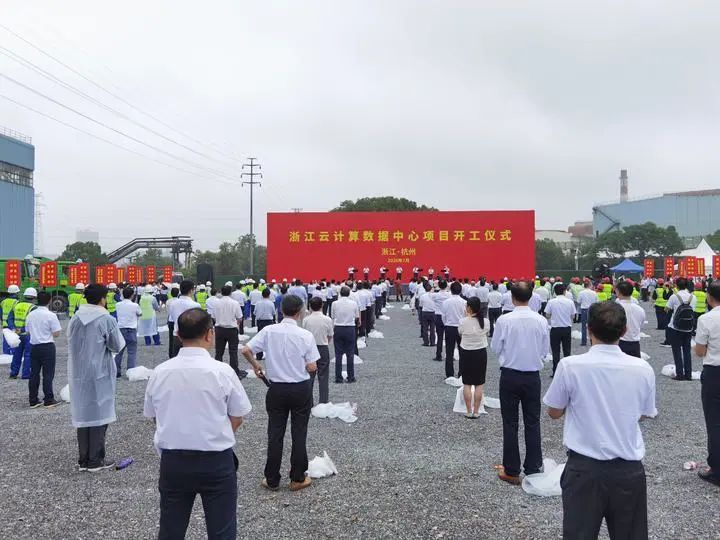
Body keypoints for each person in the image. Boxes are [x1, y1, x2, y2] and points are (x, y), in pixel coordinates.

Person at [543, 302, 656, 539]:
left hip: (584, 469)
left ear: (589, 329)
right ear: (624, 331)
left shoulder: (570, 365)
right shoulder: (642, 368)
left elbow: (554, 411)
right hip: (628, 469)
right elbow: (645, 413)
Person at [144, 308, 252, 539]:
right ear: (209, 334)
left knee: (171, 529)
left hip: (174, 460)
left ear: (178, 335)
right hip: (216, 459)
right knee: (222, 530)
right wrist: (215, 433)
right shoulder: (222, 371)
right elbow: (238, 415)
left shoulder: (160, 372)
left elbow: (154, 416)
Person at [241, 295, 319, 492]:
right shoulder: (305, 335)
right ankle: (297, 477)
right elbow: (311, 366)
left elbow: (246, 350)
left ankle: (272, 478)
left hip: (276, 388)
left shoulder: (269, 331)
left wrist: (256, 366)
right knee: (299, 432)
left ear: (281, 310)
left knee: (275, 433)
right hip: (300, 387)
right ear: (300, 312)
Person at [490, 282, 548, 485]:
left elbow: (496, 347)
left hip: (510, 375)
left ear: (512, 298)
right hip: (532, 376)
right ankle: (533, 467)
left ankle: (512, 469)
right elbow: (544, 351)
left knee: (510, 422)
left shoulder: (504, 320)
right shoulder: (540, 321)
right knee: (533, 422)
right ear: (531, 296)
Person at [67, 284, 125, 472]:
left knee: (83, 413)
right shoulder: (105, 319)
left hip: (79, 372)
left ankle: (83, 459)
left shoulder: (75, 318)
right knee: (100, 413)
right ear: (102, 298)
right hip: (100, 371)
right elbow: (117, 345)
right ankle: (95, 460)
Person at [694, 281, 720, 487]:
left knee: (715, 421)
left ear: (710, 297)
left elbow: (700, 351)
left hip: (715, 373)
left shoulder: (706, 319)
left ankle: (717, 469)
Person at [25, 291, 61, 408]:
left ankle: (33, 400)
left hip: (34, 346)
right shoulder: (51, 315)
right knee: (48, 374)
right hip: (47, 347)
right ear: (50, 300)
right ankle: (49, 399)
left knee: (34, 374)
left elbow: (28, 331)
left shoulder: (30, 314)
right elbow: (56, 334)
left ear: (36, 300)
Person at [458, 297, 490, 418]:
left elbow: (460, 333)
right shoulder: (485, 322)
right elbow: (486, 332)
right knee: (479, 383)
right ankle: (476, 411)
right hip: (480, 352)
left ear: (469, 308)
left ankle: (468, 411)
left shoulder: (463, 321)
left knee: (467, 383)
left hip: (466, 352)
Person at [303, 296, 333, 404]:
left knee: (309, 376)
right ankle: (323, 402)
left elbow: (304, 335)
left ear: (310, 306)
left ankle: (308, 402)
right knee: (323, 376)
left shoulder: (306, 320)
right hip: (322, 347)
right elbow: (330, 335)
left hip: (309, 349)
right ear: (322, 305)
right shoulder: (327, 319)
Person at [666, 277, 697, 380]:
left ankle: (679, 374)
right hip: (688, 328)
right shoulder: (693, 297)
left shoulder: (674, 297)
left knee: (676, 351)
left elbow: (667, 309)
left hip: (675, 327)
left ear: (676, 286)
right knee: (687, 351)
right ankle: (688, 374)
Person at [545, 283, 576, 376]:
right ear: (564, 291)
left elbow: (547, 315)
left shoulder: (551, 302)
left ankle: (555, 371)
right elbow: (573, 316)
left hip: (555, 329)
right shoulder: (570, 302)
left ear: (555, 292)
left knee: (555, 351)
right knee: (567, 351)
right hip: (566, 328)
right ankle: (567, 372)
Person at [213, 285, 245, 378]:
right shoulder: (234, 303)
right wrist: (236, 324)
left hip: (219, 329)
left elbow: (213, 317)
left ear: (221, 292)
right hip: (231, 329)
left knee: (219, 352)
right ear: (230, 292)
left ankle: (218, 371)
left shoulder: (217, 303)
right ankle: (234, 371)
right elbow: (239, 317)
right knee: (233, 351)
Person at [331, 286, 360, 384]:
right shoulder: (354, 303)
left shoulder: (334, 303)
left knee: (338, 354)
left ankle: (338, 378)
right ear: (348, 293)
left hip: (338, 328)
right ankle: (350, 377)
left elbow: (332, 316)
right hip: (350, 328)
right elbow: (356, 317)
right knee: (350, 354)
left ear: (340, 293)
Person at [8, 287, 38, 380]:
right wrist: (23, 329)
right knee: (28, 355)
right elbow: (32, 323)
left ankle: (13, 374)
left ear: (24, 296)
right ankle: (25, 375)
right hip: (27, 335)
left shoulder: (17, 305)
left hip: (16, 334)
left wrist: (13, 328)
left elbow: (10, 318)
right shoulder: (33, 308)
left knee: (17, 354)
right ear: (34, 297)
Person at [167, 280, 201, 356]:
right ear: (191, 290)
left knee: (177, 362)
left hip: (177, 335)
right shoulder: (195, 305)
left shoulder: (173, 304)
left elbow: (172, 317)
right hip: (191, 338)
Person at [114, 287, 142, 378]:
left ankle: (117, 371)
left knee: (119, 352)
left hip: (120, 329)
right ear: (132, 295)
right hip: (131, 330)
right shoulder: (135, 305)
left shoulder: (118, 304)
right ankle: (130, 372)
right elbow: (140, 313)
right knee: (131, 352)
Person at [441, 282, 467, 378]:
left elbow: (443, 316)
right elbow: (466, 316)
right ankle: (462, 373)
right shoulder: (465, 302)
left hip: (449, 327)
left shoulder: (446, 302)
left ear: (451, 290)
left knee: (449, 351)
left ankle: (449, 374)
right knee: (462, 351)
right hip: (461, 328)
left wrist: (447, 324)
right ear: (460, 291)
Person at [615, 281, 647, 358]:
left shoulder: (615, 308)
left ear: (618, 292)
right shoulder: (640, 309)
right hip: (635, 344)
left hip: (619, 343)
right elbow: (641, 324)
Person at [431, 281, 451, 361]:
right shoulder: (449, 295)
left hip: (438, 316)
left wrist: (435, 287)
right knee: (449, 338)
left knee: (439, 337)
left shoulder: (435, 295)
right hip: (447, 317)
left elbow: (430, 293)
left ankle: (438, 355)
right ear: (446, 286)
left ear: (439, 286)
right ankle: (449, 355)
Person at [577, 280, 598, 347]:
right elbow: (597, 302)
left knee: (583, 326)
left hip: (584, 310)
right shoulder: (594, 293)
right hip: (592, 309)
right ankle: (593, 341)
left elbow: (578, 301)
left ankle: (584, 342)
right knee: (592, 326)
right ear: (589, 285)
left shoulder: (581, 293)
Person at [1, 284, 20, 355]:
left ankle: (6, 354)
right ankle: (14, 354)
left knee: (6, 341)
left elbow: (1, 313)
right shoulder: (16, 302)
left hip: (5, 325)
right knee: (14, 340)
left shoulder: (3, 302)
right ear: (16, 293)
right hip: (13, 325)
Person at [419, 282, 437, 348]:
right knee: (432, 328)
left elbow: (420, 305)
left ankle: (426, 342)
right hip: (432, 312)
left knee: (425, 328)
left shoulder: (422, 296)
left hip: (425, 312)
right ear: (430, 289)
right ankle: (432, 342)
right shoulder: (434, 295)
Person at [165, 285, 180, 357]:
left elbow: (168, 311)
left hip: (170, 320)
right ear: (178, 293)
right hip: (177, 320)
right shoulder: (179, 301)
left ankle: (171, 354)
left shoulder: (168, 301)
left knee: (171, 339)